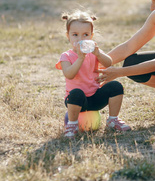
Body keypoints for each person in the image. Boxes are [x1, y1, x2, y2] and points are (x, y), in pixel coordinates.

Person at [56, 10, 131, 138]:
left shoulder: (94, 52)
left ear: (91, 36)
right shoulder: (66, 56)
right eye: (75, 35)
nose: (81, 39)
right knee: (75, 93)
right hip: (77, 102)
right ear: (68, 36)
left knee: (115, 86)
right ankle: (72, 124)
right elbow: (69, 74)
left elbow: (108, 63)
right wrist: (80, 58)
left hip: (95, 97)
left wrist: (98, 54)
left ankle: (113, 119)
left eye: (85, 34)